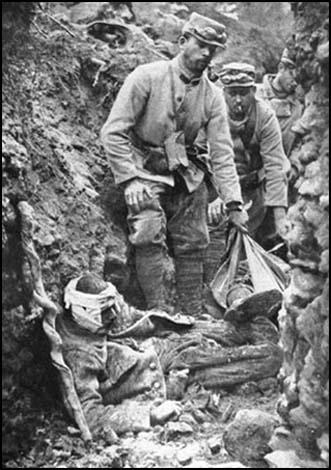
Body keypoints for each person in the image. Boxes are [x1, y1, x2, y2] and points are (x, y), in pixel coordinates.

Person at [100, 12, 248, 317]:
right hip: (143, 168)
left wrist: (233, 203)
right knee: (148, 229)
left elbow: (221, 154)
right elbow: (113, 132)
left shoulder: (213, 96)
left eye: (213, 49)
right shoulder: (147, 76)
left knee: (195, 237)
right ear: (182, 41)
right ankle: (160, 312)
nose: (207, 53)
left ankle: (192, 312)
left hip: (182, 170)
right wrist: (129, 180)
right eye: (201, 44)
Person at [56, 271, 283, 442]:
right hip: (172, 373)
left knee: (240, 329)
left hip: (167, 341)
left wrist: (182, 327)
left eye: (113, 306)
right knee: (270, 357)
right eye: (106, 312)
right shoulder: (78, 355)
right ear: (83, 312)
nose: (113, 314)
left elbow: (134, 318)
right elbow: (89, 414)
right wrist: (149, 414)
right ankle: (253, 325)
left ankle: (245, 311)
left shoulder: (101, 314)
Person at [204, 62, 291, 287]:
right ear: (222, 91)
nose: (238, 101)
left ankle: (241, 294)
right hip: (213, 186)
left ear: (254, 91)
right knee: (211, 244)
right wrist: (219, 196)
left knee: (246, 245)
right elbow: (200, 156)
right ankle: (210, 293)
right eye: (232, 94)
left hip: (252, 189)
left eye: (244, 93)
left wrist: (280, 217)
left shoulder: (265, 116)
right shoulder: (208, 108)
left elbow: (275, 165)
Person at [256, 48, 305, 204]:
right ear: (281, 68)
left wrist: (294, 166)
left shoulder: (299, 107)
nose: (295, 82)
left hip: (282, 187)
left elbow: (299, 141)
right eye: (292, 75)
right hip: (251, 183)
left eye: (299, 78)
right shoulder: (255, 95)